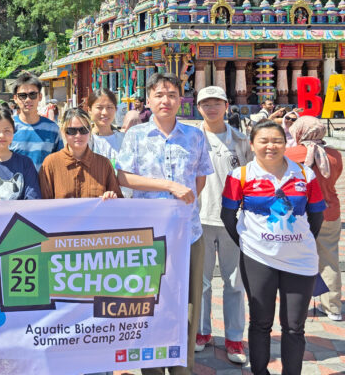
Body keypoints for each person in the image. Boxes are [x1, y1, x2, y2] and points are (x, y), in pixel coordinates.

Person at [116, 73, 214, 375]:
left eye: (172, 94)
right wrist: (169, 187)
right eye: (159, 94)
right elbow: (123, 177)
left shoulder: (195, 135)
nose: (166, 100)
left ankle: (182, 365)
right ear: (149, 100)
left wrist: (181, 208)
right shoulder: (135, 135)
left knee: (188, 303)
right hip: (148, 235)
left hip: (188, 233)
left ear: (180, 100)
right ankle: (152, 367)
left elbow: (200, 178)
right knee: (149, 302)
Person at [221, 120, 325, 375]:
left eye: (277, 140)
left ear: (285, 143)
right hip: (258, 258)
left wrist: (297, 241)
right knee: (260, 322)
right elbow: (228, 216)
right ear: (252, 144)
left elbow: (317, 216)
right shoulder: (240, 175)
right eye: (263, 141)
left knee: (294, 327)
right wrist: (249, 243)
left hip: (300, 260)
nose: (271, 146)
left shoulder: (305, 174)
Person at [194, 86, 252, 363]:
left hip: (233, 221)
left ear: (226, 106)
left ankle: (234, 338)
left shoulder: (240, 140)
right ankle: (202, 332)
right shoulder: (191, 139)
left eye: (217, 102)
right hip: (199, 218)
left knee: (234, 282)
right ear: (198, 108)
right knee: (201, 282)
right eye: (206, 103)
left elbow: (253, 176)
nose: (212, 108)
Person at [286, 116, 344, 321]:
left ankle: (297, 304)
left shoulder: (290, 154)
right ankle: (333, 307)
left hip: (300, 215)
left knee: (296, 260)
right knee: (329, 259)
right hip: (330, 211)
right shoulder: (335, 155)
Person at [39, 107, 121, 199]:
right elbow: (44, 203)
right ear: (63, 132)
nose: (78, 135)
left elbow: (118, 200)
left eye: (83, 130)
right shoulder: (51, 163)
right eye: (71, 131)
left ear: (90, 131)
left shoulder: (104, 164)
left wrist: (112, 196)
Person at [10, 72, 62, 171]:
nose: (28, 99)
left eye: (32, 95)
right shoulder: (8, 128)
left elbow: (59, 163)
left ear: (40, 97)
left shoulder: (53, 129)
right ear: (15, 98)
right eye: (22, 95)